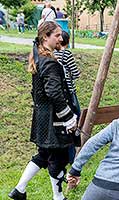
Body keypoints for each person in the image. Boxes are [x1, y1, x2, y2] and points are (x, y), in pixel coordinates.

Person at [8, 21, 77, 200]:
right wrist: (68, 117)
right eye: (57, 35)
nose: (61, 38)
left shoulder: (38, 56)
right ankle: (58, 197)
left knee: (44, 154)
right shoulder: (49, 62)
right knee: (59, 159)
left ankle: (19, 190)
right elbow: (54, 92)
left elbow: (37, 92)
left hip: (43, 116)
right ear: (46, 37)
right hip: (55, 120)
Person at [54, 30, 81, 164]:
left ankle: (64, 155)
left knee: (64, 124)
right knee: (76, 119)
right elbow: (76, 74)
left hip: (59, 93)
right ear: (67, 41)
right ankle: (73, 155)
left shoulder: (52, 54)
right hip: (69, 92)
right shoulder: (66, 54)